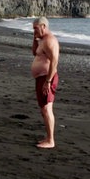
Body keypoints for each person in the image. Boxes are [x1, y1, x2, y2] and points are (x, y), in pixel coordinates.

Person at [31, 17, 59, 149]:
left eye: (35, 28)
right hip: (41, 78)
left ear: (43, 26)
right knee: (44, 109)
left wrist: (48, 81)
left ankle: (51, 140)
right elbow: (34, 53)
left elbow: (54, 61)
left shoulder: (50, 40)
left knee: (47, 109)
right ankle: (48, 137)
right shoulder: (41, 40)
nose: (34, 30)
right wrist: (35, 38)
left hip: (47, 78)